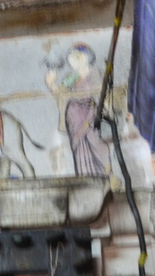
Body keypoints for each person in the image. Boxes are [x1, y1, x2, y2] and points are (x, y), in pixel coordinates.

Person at [45, 43, 111, 177]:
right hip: (74, 116)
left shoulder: (95, 72)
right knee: (79, 146)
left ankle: (106, 174)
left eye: (77, 56)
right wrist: (51, 84)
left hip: (90, 112)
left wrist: (108, 109)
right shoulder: (71, 77)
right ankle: (85, 176)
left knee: (95, 142)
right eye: (71, 58)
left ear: (86, 57)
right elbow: (61, 95)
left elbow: (102, 93)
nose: (74, 60)